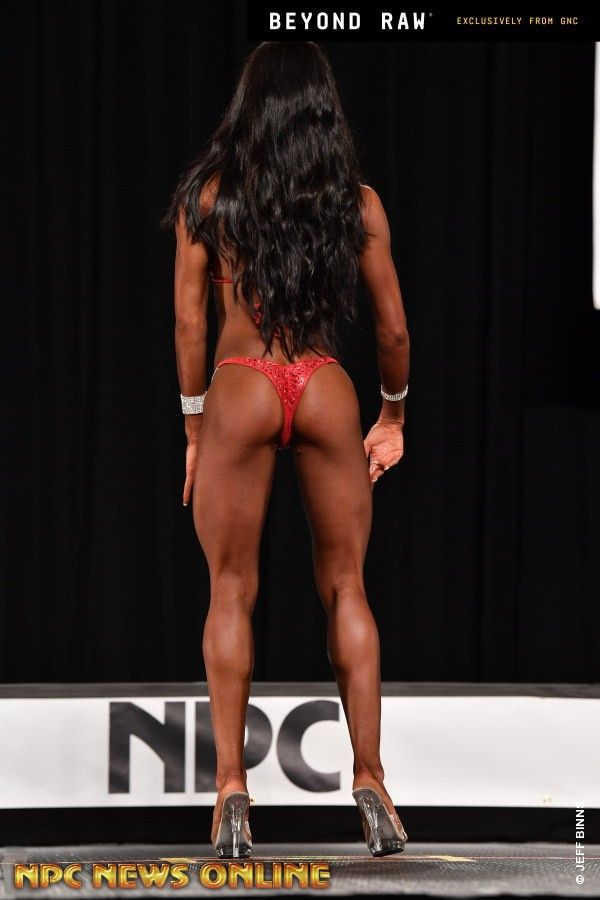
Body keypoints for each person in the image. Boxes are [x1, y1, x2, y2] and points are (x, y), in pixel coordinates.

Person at [161, 41, 410, 859]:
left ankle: (232, 789)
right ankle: (370, 778)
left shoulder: (210, 197)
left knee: (230, 589)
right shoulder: (355, 203)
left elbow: (190, 323)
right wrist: (392, 416)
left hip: (242, 383)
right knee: (347, 586)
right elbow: (393, 331)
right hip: (325, 383)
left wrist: (195, 426)